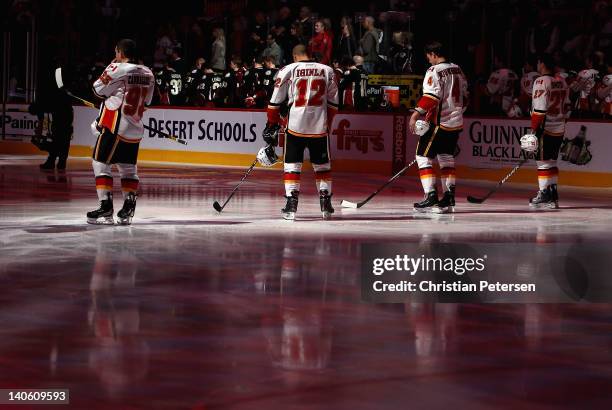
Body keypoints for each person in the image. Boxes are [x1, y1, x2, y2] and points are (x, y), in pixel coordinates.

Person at [265, 45, 339, 220]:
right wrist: (328, 125)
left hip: (295, 126)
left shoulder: (288, 69)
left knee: (292, 165)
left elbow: (274, 102)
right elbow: (334, 104)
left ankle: (291, 204)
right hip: (319, 127)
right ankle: (325, 203)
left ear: (294, 55)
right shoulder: (327, 70)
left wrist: (271, 124)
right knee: (322, 166)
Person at [87, 39, 155, 225]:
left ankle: (105, 207)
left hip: (116, 125)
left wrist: (111, 68)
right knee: (128, 169)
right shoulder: (149, 72)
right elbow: (147, 101)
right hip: (135, 127)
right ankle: (128, 208)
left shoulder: (117, 68)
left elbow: (97, 90)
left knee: (100, 163)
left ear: (120, 53)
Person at [409, 41, 468, 214]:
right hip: (456, 123)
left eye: (429, 57)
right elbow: (466, 96)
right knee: (446, 158)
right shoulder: (458, 69)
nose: (428, 61)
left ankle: (431, 195)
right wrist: (456, 112)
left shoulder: (434, 71)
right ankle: (449, 198)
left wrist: (415, 115)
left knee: (422, 156)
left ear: (434, 54)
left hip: (439, 123)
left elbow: (431, 97)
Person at [528, 53, 570, 209]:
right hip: (559, 127)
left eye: (538, 63)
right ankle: (553, 195)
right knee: (551, 161)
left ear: (542, 63)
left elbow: (539, 109)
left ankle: (544, 193)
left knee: (542, 162)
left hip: (545, 128)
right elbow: (568, 107)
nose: (537, 66)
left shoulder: (541, 81)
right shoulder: (562, 81)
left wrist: (533, 130)